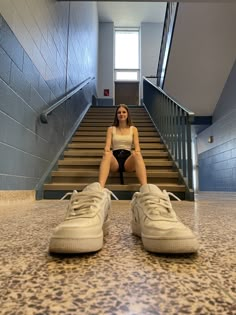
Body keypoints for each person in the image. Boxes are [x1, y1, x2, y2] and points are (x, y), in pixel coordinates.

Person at [49, 105, 199, 255]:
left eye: (124, 112)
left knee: (138, 155)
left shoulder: (133, 129)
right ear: (117, 115)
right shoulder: (111, 129)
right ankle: (99, 190)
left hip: (128, 159)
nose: (121, 114)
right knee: (107, 155)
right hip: (114, 158)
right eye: (119, 112)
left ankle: (146, 190)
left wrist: (135, 154)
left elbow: (138, 147)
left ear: (128, 114)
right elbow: (107, 147)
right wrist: (107, 152)